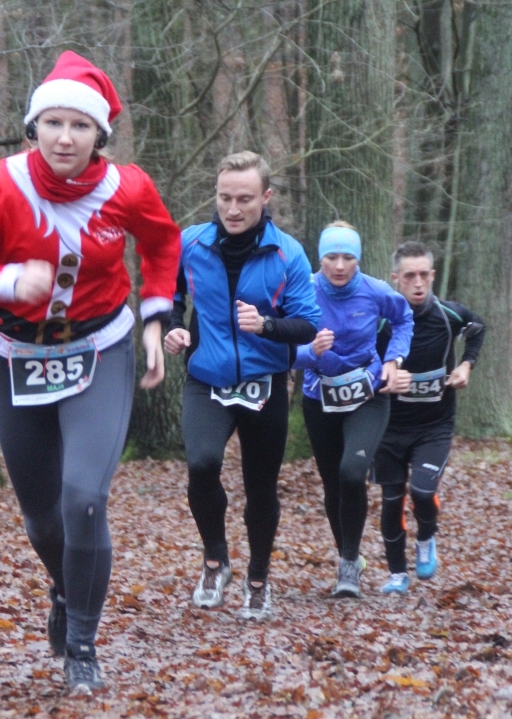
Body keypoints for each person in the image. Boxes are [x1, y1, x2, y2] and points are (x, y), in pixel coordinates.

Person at [0, 51, 180, 693]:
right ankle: (65, 588)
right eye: (52, 123)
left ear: (99, 134)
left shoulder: (128, 188)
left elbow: (162, 244)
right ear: (33, 128)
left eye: (79, 125)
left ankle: (82, 646)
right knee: (44, 519)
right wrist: (9, 279)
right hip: (14, 354)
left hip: (99, 348)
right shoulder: (1, 184)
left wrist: (155, 317)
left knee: (85, 499)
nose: (64, 137)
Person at [164, 151, 320, 621]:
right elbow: (168, 295)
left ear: (265, 197)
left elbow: (308, 325)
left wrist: (267, 326)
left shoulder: (287, 253)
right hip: (207, 377)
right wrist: (173, 328)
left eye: (245, 199)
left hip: (264, 383)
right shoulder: (191, 243)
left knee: (260, 487)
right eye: (225, 197)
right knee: (201, 464)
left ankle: (258, 579)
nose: (233, 209)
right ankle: (216, 561)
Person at [293, 222, 413, 599]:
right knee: (334, 484)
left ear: (358, 259)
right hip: (319, 396)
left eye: (348, 257)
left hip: (368, 393)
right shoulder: (303, 291)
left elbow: (404, 320)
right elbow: (279, 346)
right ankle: (351, 557)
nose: (340, 265)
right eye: (332, 257)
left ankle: (347, 565)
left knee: (352, 471)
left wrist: (393, 359)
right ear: (321, 259)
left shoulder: (375, 290)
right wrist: (309, 351)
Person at [373, 242, 485, 594]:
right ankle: (397, 574)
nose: (418, 282)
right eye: (410, 276)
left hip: (434, 426)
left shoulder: (449, 315)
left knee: (422, 491)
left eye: (424, 274)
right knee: (392, 499)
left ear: (433, 275)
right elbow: (360, 361)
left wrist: (466, 364)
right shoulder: (381, 322)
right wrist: (383, 380)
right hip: (388, 426)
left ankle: (425, 539)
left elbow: (478, 327)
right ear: (395, 279)